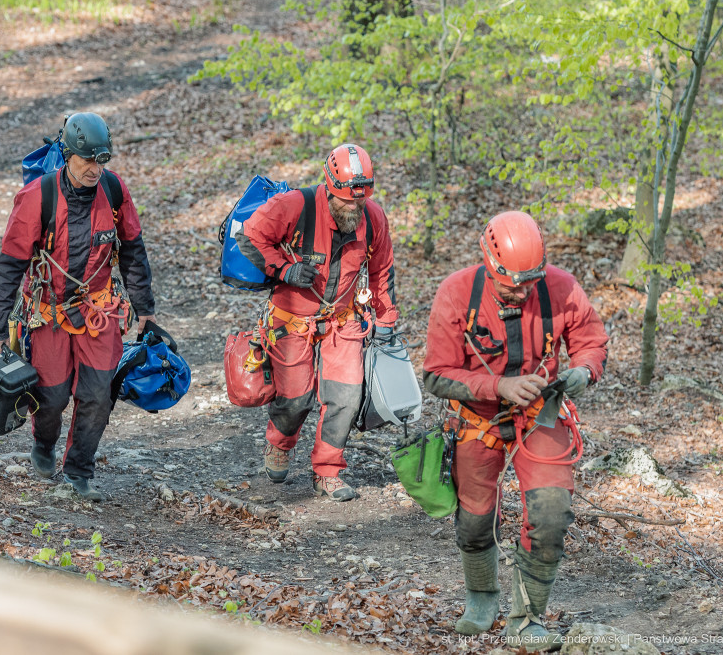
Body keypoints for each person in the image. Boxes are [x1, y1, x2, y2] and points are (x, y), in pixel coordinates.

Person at [422, 211, 608, 651]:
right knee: (473, 519)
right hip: (477, 418)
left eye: (530, 281)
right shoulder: (456, 293)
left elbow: (590, 339)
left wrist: (584, 371)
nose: (522, 291)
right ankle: (482, 596)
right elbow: (435, 375)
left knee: (550, 515)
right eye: (512, 283)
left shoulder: (561, 287)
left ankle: (527, 618)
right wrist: (498, 385)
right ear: (488, 263)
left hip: (541, 414)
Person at [0, 112, 156, 502]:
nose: (96, 169)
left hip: (100, 310)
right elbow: (10, 266)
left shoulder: (114, 191)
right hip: (48, 313)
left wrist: (145, 309)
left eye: (102, 160)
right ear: (67, 154)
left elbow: (132, 250)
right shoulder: (37, 198)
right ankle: (43, 444)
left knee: (97, 394)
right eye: (87, 160)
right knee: (52, 396)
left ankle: (80, 469)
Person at [236, 143, 399, 501]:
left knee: (346, 396)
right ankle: (280, 443)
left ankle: (328, 469)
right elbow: (248, 235)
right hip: (292, 318)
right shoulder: (295, 205)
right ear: (328, 187)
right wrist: (285, 269)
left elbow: (382, 271)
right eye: (345, 201)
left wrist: (387, 320)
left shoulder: (372, 218)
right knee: (296, 398)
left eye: (359, 200)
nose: (353, 208)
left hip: (343, 319)